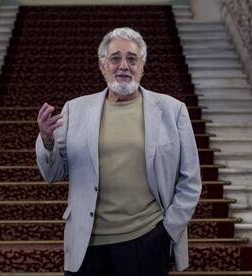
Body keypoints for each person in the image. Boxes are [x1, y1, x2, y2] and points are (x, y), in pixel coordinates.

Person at [36, 27, 202, 276]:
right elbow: (53, 173)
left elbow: (191, 180)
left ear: (142, 66)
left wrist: (167, 230)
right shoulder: (75, 109)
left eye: (132, 59)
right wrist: (47, 140)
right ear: (102, 65)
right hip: (87, 243)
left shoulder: (172, 110)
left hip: (146, 239)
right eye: (115, 58)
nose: (123, 65)